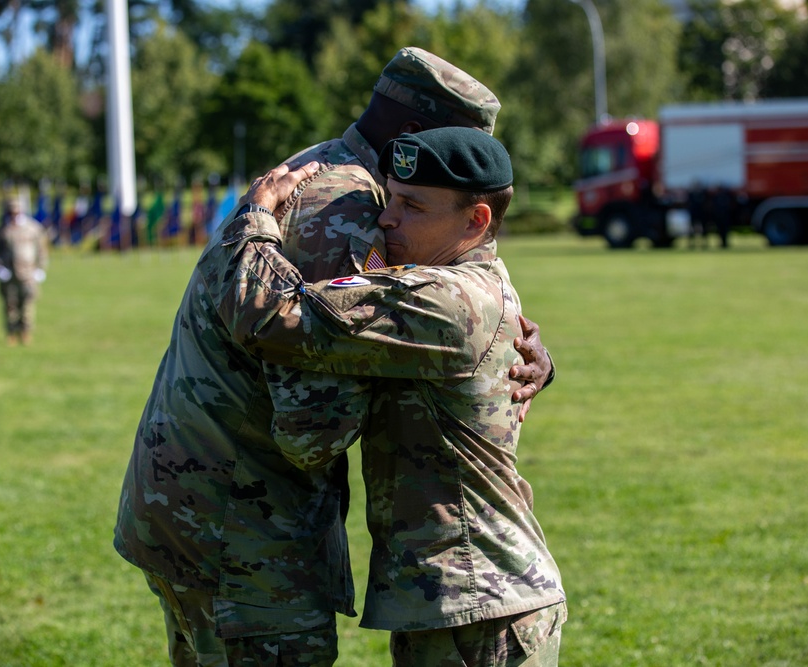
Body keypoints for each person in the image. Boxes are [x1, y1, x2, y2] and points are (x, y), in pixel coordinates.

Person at [113, 46, 554, 667]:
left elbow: (452, 302)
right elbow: (313, 428)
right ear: (409, 136)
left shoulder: (321, 170)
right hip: (245, 531)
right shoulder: (350, 207)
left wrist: (508, 350)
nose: (399, 215)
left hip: (202, 508)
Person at [211, 127, 566, 666]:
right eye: (390, 198)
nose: (386, 218)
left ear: (476, 221)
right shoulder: (466, 280)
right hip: (460, 601)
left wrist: (256, 215)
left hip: (478, 606)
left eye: (412, 206)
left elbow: (267, 313)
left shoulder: (445, 299)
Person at [0, 196, 48, 346]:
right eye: (11, 212)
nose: (14, 214)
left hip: (28, 273)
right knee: (10, 305)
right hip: (9, 273)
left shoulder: (33, 228)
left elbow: (41, 251)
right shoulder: (3, 230)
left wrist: (40, 269)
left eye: (17, 211)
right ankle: (11, 333)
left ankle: (25, 332)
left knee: (27, 305)